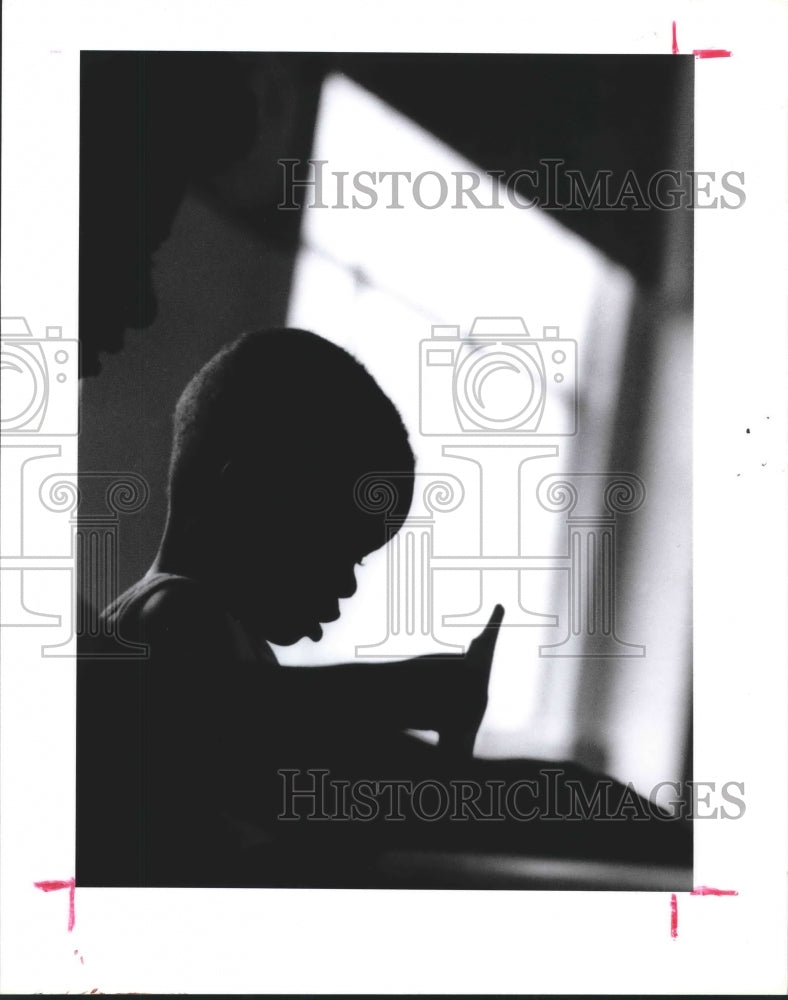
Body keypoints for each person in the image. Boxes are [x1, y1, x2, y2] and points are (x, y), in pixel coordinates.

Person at [78, 328, 691, 888]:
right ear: (241, 497)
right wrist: (404, 691)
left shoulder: (163, 619)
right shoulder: (178, 613)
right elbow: (236, 716)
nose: (346, 587)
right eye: (337, 548)